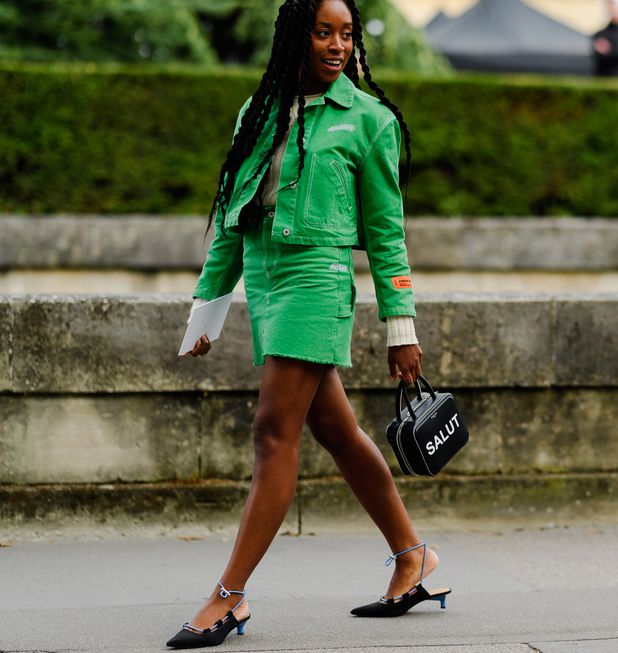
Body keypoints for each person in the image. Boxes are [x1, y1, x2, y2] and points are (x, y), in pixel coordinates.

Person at [167, 0, 448, 648]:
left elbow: (386, 232)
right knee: (338, 430)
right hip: (266, 281)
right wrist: (206, 307)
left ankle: (229, 596)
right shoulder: (257, 112)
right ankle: (414, 558)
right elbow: (230, 220)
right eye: (324, 32)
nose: (337, 46)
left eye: (347, 34)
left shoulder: (368, 120)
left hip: (316, 282)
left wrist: (400, 325)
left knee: (273, 432)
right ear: (297, 35)